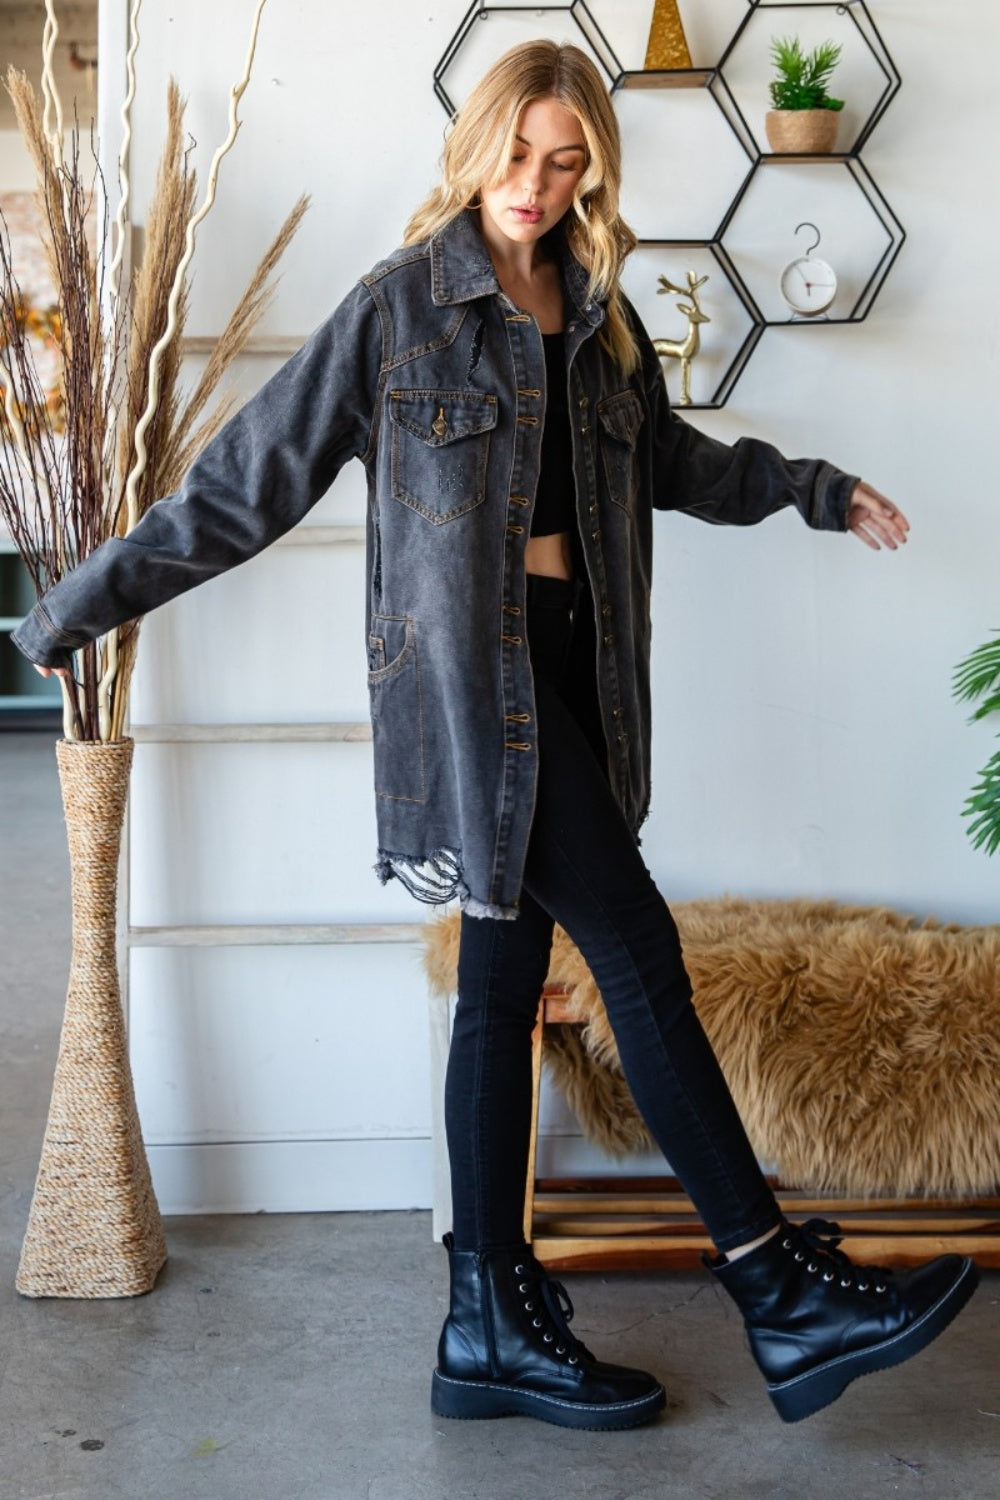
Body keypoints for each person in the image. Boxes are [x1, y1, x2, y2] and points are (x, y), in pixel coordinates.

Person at [15, 40, 977, 1432]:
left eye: (566, 161)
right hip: (480, 690)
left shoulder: (598, 312)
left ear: (593, 172)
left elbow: (675, 463)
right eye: (518, 153)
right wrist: (77, 606)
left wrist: (812, 488)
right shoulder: (399, 309)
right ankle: (779, 1288)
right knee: (638, 951)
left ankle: (487, 1327)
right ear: (478, 147)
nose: (536, 183)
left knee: (501, 985)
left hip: (585, 672)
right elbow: (245, 483)